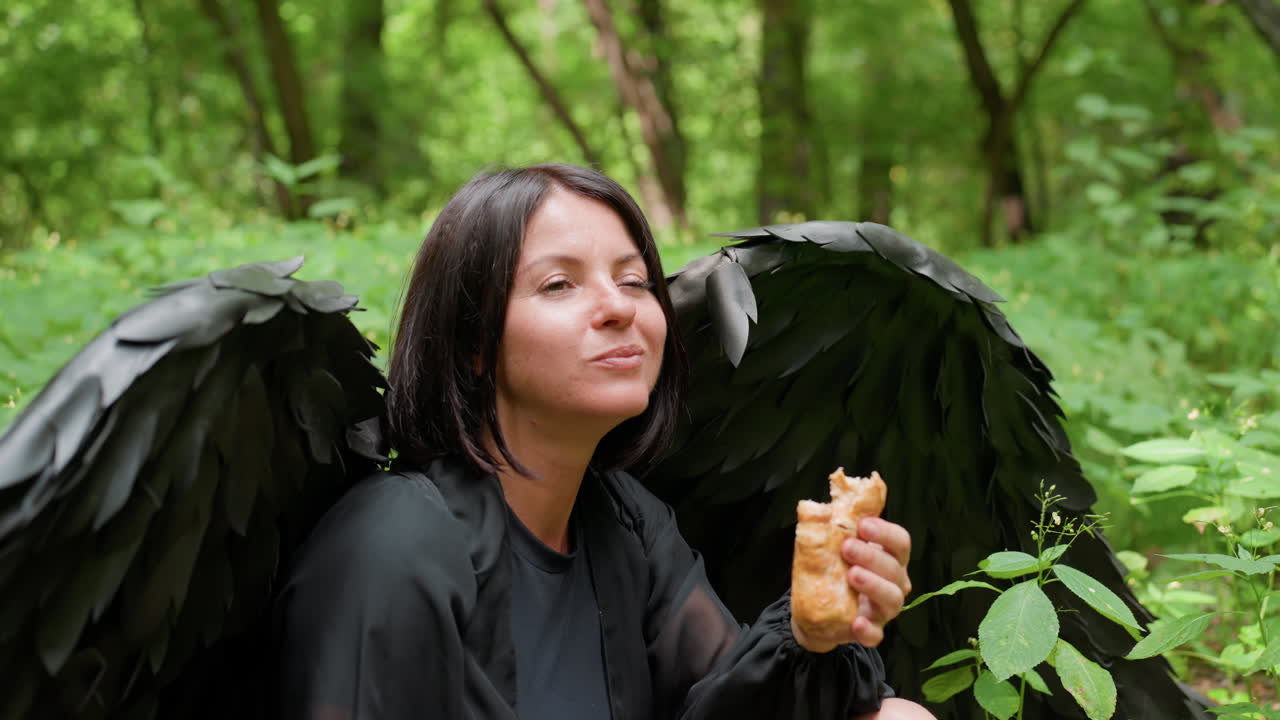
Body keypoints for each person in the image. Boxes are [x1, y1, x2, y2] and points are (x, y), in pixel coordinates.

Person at [274, 163, 935, 719]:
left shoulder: (622, 524)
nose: (619, 307)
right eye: (559, 284)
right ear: (475, 345)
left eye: (634, 280)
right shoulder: (394, 545)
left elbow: (733, 704)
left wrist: (813, 631)